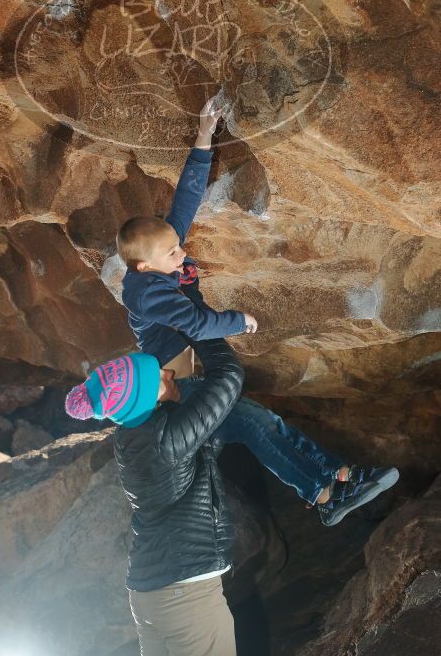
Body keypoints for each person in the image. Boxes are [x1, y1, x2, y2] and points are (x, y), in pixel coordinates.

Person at [114, 97, 399, 526]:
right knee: (252, 422)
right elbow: (194, 322)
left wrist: (204, 134)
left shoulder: (158, 260)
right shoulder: (144, 293)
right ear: (144, 266)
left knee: (258, 422)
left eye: (178, 246)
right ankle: (329, 487)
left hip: (195, 368)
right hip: (175, 385)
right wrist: (239, 320)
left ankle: (334, 482)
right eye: (173, 253)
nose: (183, 253)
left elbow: (185, 203)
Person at [65, 334, 246, 656]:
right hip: (186, 595)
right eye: (159, 376)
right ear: (145, 396)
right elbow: (229, 377)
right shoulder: (168, 439)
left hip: (150, 596)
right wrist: (199, 327)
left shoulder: (128, 437)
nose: (169, 374)